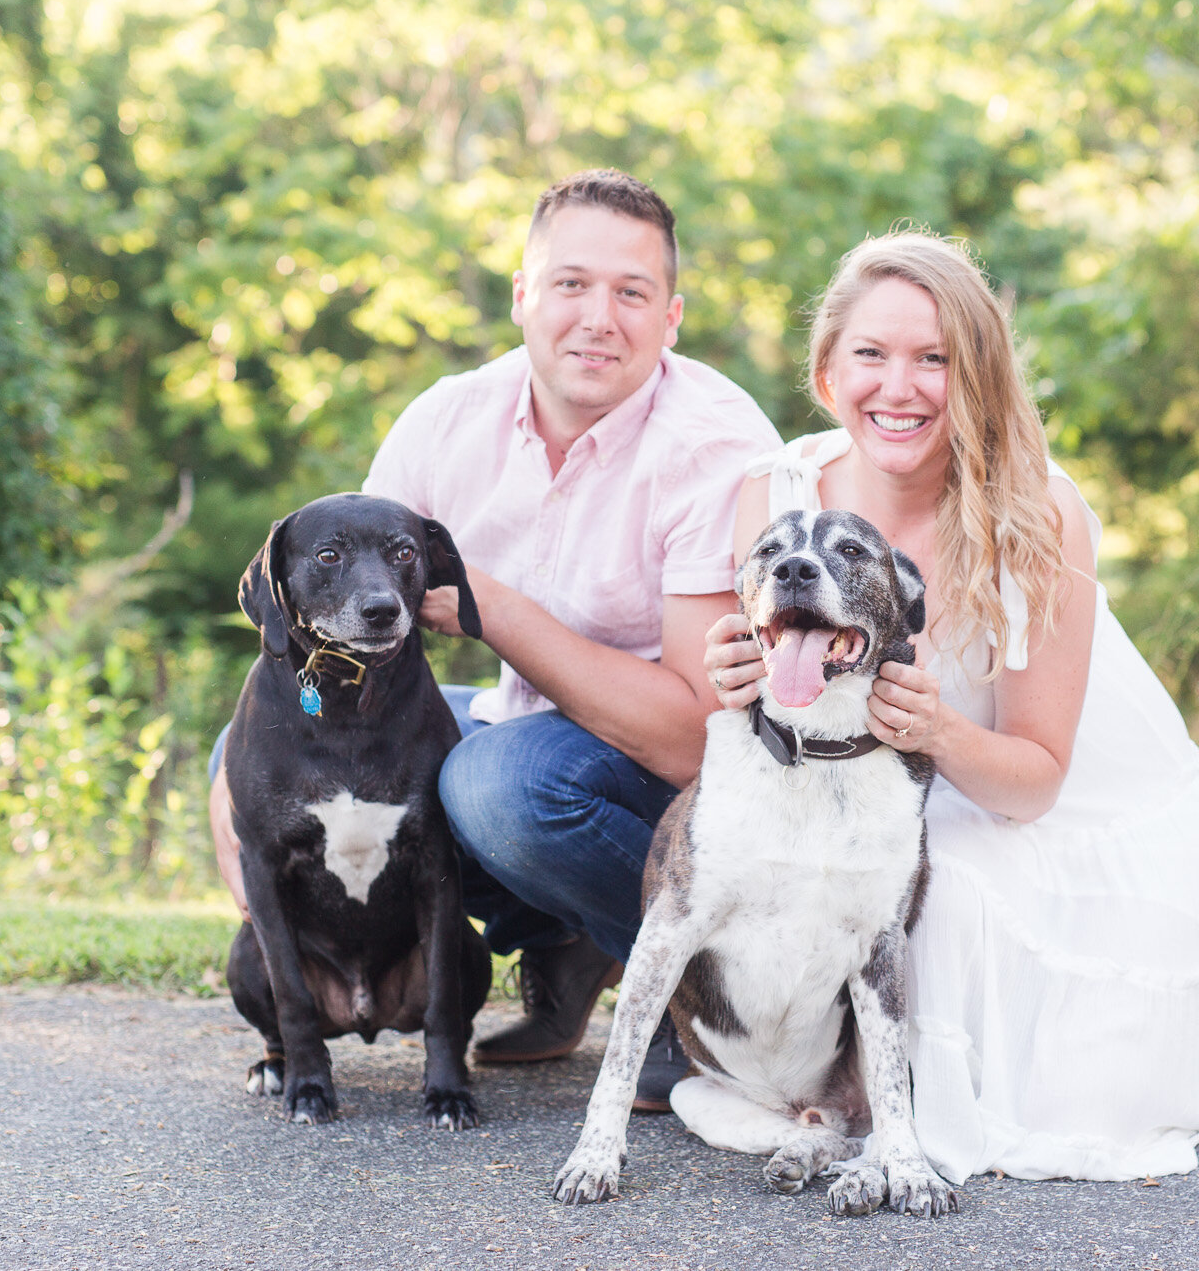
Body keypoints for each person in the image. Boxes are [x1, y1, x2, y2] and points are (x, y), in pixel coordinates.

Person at [702, 231, 1199, 1182]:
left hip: (1036, 803)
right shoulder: (774, 498)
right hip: (858, 797)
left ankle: (893, 1121)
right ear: (826, 372)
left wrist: (934, 728)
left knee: (943, 900)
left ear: (975, 375)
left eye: (934, 359)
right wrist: (739, 681)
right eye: (872, 354)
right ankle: (799, 1080)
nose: (900, 386)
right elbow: (758, 709)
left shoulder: (1039, 512)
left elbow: (1036, 783)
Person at [209, 169, 780, 1107]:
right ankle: (568, 947)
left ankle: (688, 994)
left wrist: (492, 608)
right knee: (255, 756)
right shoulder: (447, 419)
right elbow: (343, 604)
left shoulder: (714, 447)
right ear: (523, 294)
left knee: (495, 785)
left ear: (670, 317)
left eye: (630, 292)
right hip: (526, 730)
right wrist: (264, 848)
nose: (598, 315)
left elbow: (693, 738)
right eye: (570, 283)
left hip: (681, 783)